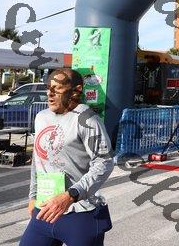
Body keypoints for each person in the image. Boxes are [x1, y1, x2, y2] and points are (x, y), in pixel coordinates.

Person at [21, 68, 114, 246]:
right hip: (46, 209)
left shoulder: (87, 119)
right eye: (48, 88)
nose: (50, 93)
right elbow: (38, 159)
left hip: (80, 213)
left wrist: (71, 195)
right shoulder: (41, 117)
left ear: (76, 91)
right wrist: (33, 196)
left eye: (57, 88)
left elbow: (104, 162)